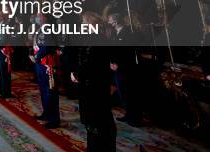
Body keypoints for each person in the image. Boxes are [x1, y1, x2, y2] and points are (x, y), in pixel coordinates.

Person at [71, 12, 116, 152]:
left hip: (94, 86)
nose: (82, 25)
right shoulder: (93, 38)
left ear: (90, 24)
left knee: (98, 121)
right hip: (92, 85)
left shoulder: (96, 40)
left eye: (84, 23)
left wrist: (77, 74)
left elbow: (90, 64)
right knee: (95, 121)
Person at [108, 10, 142, 126]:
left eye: (111, 20)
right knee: (122, 92)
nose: (109, 22)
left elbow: (128, 52)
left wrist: (119, 64)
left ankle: (135, 118)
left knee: (131, 93)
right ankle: (128, 114)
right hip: (116, 68)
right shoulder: (113, 33)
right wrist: (111, 62)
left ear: (116, 20)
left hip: (126, 67)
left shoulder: (128, 32)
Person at [30, 12, 60, 128]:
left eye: (39, 16)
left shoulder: (48, 29)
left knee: (50, 91)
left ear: (45, 18)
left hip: (47, 64)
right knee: (43, 89)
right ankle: (46, 113)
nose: (37, 18)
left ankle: (54, 119)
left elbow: (47, 46)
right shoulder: (40, 29)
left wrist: (37, 56)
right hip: (40, 63)